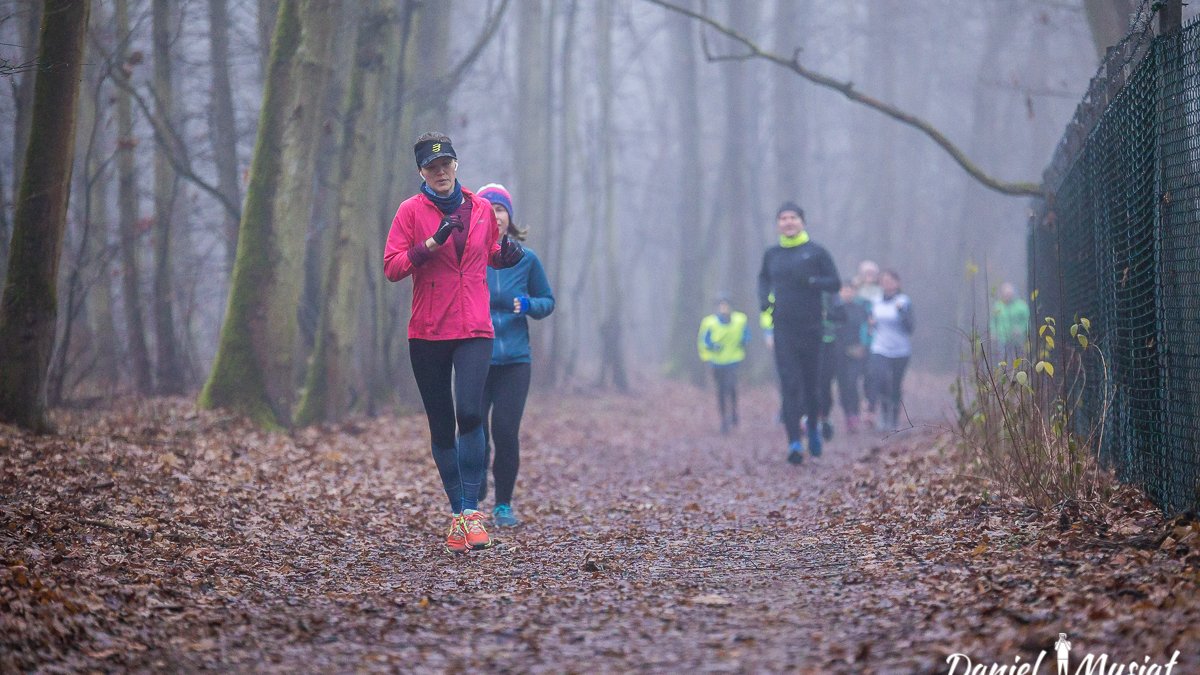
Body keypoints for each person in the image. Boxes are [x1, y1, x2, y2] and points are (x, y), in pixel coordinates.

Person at [383, 132, 524, 553]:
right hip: (427, 331)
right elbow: (392, 267)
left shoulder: (480, 209)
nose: (440, 173)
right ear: (421, 172)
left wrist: (506, 255)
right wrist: (430, 244)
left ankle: (471, 515)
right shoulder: (410, 212)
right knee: (442, 423)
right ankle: (459, 511)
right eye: (431, 167)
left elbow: (490, 251)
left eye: (446, 165)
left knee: (470, 412)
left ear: (456, 166)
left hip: (474, 328)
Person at [476, 183, 554, 528]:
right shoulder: (469, 255)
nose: (496, 215)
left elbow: (547, 301)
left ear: (510, 216)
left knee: (505, 432)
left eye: (501, 209)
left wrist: (527, 305)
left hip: (514, 362)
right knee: (474, 431)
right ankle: (475, 488)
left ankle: (503, 505)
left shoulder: (526, 258)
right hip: (474, 356)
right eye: (489, 208)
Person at [758, 202, 840, 464]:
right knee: (789, 385)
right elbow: (763, 280)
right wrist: (763, 300)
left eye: (792, 217)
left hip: (812, 328)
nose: (788, 222)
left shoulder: (816, 252)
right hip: (783, 329)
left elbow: (835, 282)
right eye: (782, 218)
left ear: (802, 222)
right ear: (778, 224)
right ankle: (793, 442)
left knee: (811, 386)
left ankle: (813, 429)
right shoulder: (772, 254)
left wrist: (813, 282)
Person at [868, 269, 913, 431]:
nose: (886, 283)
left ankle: (893, 417)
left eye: (890, 280)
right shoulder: (875, 301)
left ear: (897, 283)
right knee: (881, 379)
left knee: (895, 384)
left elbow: (910, 328)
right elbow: (870, 324)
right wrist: (870, 326)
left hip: (901, 350)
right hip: (880, 347)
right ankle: (883, 414)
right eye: (883, 280)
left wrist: (902, 312)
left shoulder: (904, 301)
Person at [697, 296, 750, 434]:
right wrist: (713, 347)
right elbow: (704, 340)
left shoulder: (740, 320)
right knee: (720, 391)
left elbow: (746, 335)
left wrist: (743, 342)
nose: (724, 308)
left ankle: (734, 412)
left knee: (731, 387)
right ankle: (723, 420)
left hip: (733, 360)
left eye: (726, 305)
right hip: (717, 362)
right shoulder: (709, 322)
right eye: (721, 305)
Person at [832, 280, 872, 432]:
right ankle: (847, 413)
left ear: (854, 292)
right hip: (839, 353)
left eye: (850, 290)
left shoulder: (861, 309)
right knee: (842, 385)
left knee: (852, 382)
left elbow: (868, 328)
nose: (847, 293)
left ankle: (855, 413)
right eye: (844, 290)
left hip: (856, 352)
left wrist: (863, 346)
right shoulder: (835, 309)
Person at [989, 281, 1029, 360]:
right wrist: (993, 332)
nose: (1007, 296)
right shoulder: (997, 306)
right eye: (1005, 294)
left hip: (1017, 340)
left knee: (1018, 359)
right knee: (1002, 359)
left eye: (1009, 294)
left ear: (1013, 293)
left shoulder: (1022, 306)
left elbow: (1027, 322)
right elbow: (993, 321)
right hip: (1002, 339)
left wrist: (1021, 329)